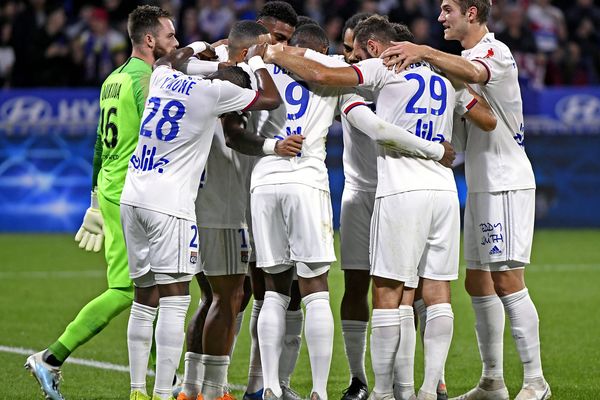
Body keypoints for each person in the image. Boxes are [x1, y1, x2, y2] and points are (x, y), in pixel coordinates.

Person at [262, 14, 496, 400]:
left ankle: (389, 390)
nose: (348, 56)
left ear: (373, 47)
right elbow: (486, 118)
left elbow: (321, 76)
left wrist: (273, 51)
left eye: (354, 49)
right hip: (436, 191)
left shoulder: (377, 70)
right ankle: (418, 387)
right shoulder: (443, 76)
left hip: (399, 191)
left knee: (390, 292)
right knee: (431, 291)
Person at [379, 0, 550, 399]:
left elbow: (476, 74)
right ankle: (492, 381)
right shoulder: (454, 63)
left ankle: (536, 381)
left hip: (505, 181)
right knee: (478, 281)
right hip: (479, 182)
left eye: (447, 9)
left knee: (507, 278)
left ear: (472, 13)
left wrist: (422, 51)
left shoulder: (494, 51)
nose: (441, 18)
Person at [25, 6, 178, 400]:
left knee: (159, 288)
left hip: (112, 188)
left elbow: (98, 143)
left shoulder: (113, 79)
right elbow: (159, 136)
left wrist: (94, 199)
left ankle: (170, 380)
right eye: (169, 36)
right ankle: (51, 357)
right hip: (135, 190)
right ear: (149, 40)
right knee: (131, 290)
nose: (174, 43)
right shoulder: (147, 78)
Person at [120, 39, 282, 400]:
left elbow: (167, 58)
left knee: (147, 299)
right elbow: (269, 99)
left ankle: (139, 390)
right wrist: (257, 65)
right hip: (178, 204)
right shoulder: (215, 95)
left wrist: (199, 49)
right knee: (189, 300)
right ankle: (178, 391)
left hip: (134, 195)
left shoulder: (163, 76)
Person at [177, 21, 302, 400]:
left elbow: (178, 59)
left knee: (213, 296)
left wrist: (207, 48)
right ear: (251, 47)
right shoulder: (237, 79)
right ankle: (215, 390)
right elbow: (256, 113)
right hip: (226, 204)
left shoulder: (201, 70)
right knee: (229, 297)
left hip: (201, 199)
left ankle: (190, 387)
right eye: (266, 44)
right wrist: (254, 63)